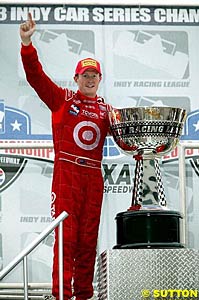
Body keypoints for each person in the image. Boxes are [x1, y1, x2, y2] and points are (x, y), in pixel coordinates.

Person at [20, 13, 111, 300]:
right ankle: (62, 295)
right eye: (85, 75)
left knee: (88, 241)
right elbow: (36, 77)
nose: (89, 79)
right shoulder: (62, 100)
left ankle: (84, 295)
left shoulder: (108, 111)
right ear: (76, 78)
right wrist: (27, 44)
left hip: (93, 177)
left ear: (100, 79)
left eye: (94, 75)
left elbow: (125, 139)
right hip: (67, 175)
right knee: (66, 240)